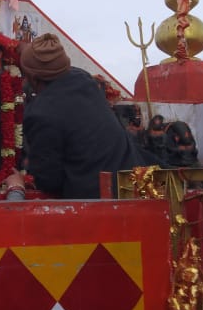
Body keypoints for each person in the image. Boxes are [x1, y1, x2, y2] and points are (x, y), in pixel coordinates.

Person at [15, 33, 158, 199]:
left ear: (32, 77)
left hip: (97, 203)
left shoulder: (41, 113)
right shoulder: (85, 80)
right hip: (136, 183)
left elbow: (49, 181)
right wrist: (30, 55)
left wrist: (17, 181)